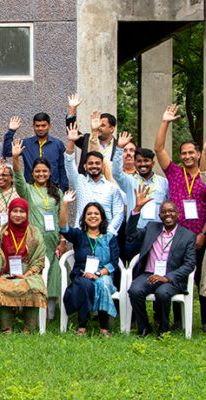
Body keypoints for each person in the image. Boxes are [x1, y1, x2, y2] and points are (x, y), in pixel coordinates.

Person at [154, 104, 206, 332]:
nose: (187, 156)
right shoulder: (174, 172)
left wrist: (203, 233)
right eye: (183, 153)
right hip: (176, 237)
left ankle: (203, 322)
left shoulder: (204, 177)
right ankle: (177, 321)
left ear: (199, 155)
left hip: (200, 236)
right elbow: (158, 149)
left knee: (203, 281)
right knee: (174, 276)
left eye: (191, 153)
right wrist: (165, 121)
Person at [126, 188, 196, 337]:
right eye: (164, 212)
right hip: (149, 274)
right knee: (134, 290)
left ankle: (164, 329)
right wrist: (137, 209)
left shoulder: (188, 236)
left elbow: (189, 264)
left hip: (170, 278)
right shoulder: (152, 227)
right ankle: (144, 327)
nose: (167, 214)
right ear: (160, 216)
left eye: (171, 211)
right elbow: (131, 233)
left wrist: (167, 278)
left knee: (162, 293)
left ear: (177, 214)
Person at [11, 138, 64, 320]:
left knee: (52, 275)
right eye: (37, 171)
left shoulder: (58, 193)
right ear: (32, 173)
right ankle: (28, 310)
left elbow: (61, 218)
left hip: (52, 242)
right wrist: (15, 158)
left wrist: (62, 240)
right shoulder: (27, 190)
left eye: (44, 171)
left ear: (49, 173)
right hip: (33, 242)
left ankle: (49, 312)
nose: (41, 174)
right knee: (33, 273)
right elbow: (18, 177)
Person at [0, 198, 47, 333]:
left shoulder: (34, 233)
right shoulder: (2, 231)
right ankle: (6, 328)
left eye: (22, 211)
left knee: (34, 288)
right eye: (15, 211)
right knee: (2, 287)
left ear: (27, 213)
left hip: (28, 273)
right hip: (5, 272)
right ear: (9, 213)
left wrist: (26, 274)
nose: (18, 215)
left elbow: (39, 259)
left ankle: (28, 328)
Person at [59, 191, 119, 336]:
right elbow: (63, 228)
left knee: (103, 284)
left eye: (96, 213)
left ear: (102, 217)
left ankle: (104, 328)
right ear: (84, 218)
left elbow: (113, 262)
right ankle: (82, 327)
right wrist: (65, 203)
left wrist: (98, 274)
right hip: (82, 274)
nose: (93, 216)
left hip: (102, 274)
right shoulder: (79, 235)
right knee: (85, 284)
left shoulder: (110, 238)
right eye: (89, 214)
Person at [65, 123, 124, 236]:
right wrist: (71, 142)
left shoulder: (111, 188)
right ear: (85, 166)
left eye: (97, 163)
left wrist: (109, 233)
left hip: (105, 236)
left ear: (102, 166)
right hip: (82, 235)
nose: (94, 166)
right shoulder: (79, 181)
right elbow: (69, 164)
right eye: (90, 163)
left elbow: (119, 213)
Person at [113, 132, 169, 229]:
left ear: (153, 163)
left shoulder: (164, 182)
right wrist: (119, 148)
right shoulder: (129, 181)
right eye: (139, 161)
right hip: (135, 231)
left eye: (146, 160)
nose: (143, 164)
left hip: (157, 232)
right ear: (135, 164)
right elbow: (116, 173)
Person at [3, 112, 68, 191]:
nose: (40, 128)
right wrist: (11, 131)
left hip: (53, 188)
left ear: (49, 126)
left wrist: (63, 189)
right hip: (31, 189)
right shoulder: (25, 143)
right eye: (37, 126)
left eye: (43, 125)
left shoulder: (58, 144)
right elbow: (7, 152)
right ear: (33, 126)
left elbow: (62, 167)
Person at [66, 93, 118, 175]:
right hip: (87, 183)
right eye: (97, 124)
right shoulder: (87, 139)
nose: (98, 127)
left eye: (102, 125)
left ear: (112, 128)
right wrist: (72, 108)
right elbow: (72, 129)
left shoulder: (119, 146)